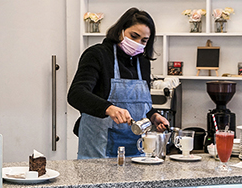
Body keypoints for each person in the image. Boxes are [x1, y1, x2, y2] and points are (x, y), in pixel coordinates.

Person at [68, 8, 170, 159]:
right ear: (120, 31)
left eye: (144, 40)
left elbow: (139, 103)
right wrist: (109, 108)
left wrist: (153, 115)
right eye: (133, 36)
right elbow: (76, 94)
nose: (137, 43)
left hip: (135, 148)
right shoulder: (97, 55)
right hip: (99, 148)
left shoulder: (143, 62)